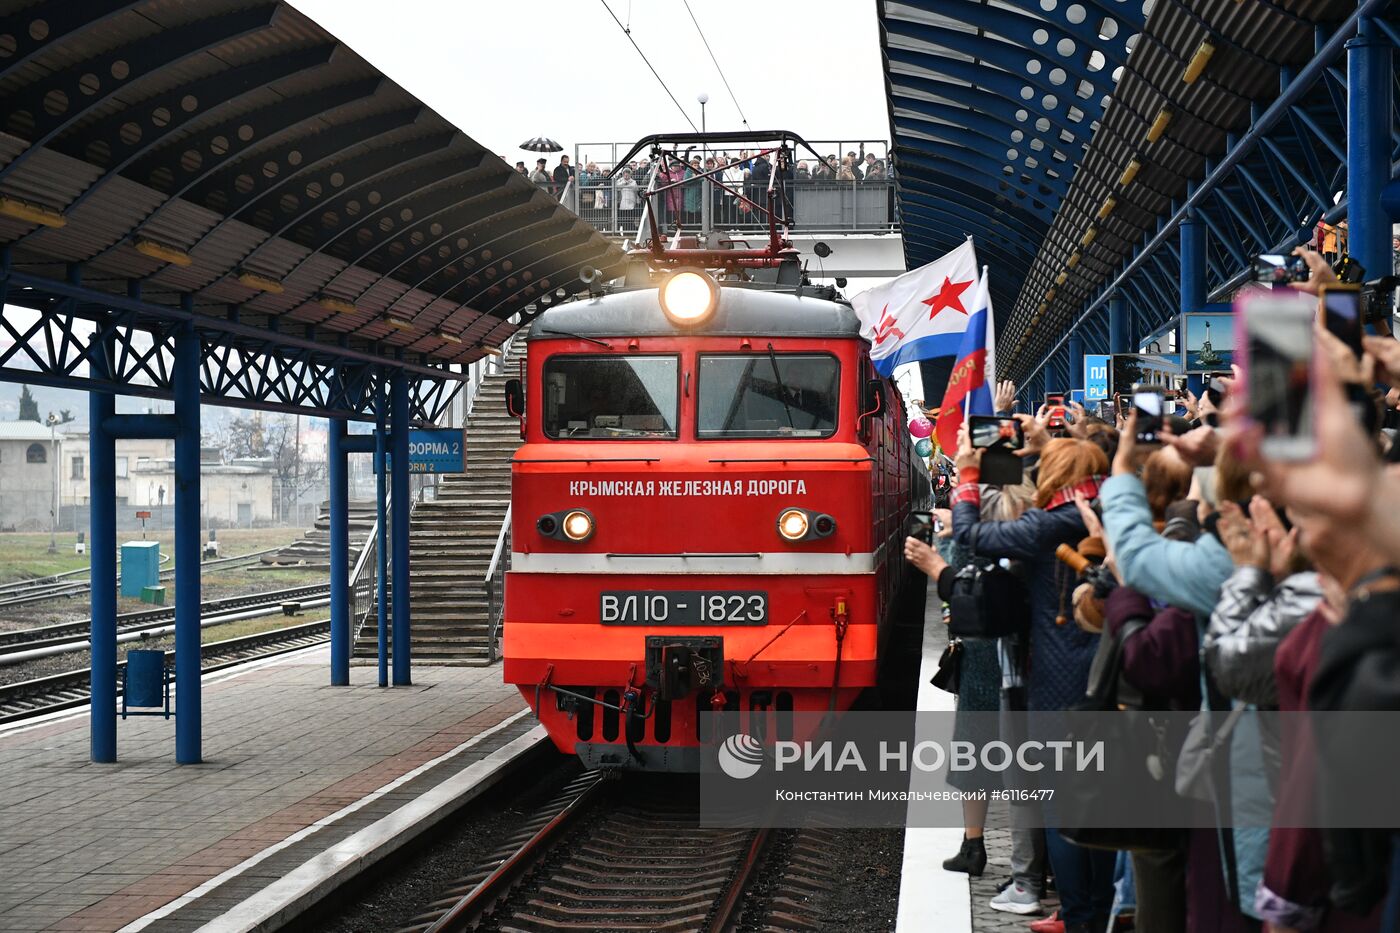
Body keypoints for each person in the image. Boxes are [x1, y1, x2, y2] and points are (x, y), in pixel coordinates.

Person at [950, 428, 1115, 933]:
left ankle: (1080, 914)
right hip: (1110, 677)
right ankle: (1096, 910)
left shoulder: (1052, 523)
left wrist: (968, 476)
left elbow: (972, 535)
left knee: (1065, 806)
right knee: (1104, 805)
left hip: (1061, 682)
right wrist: (1046, 442)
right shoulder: (1113, 507)